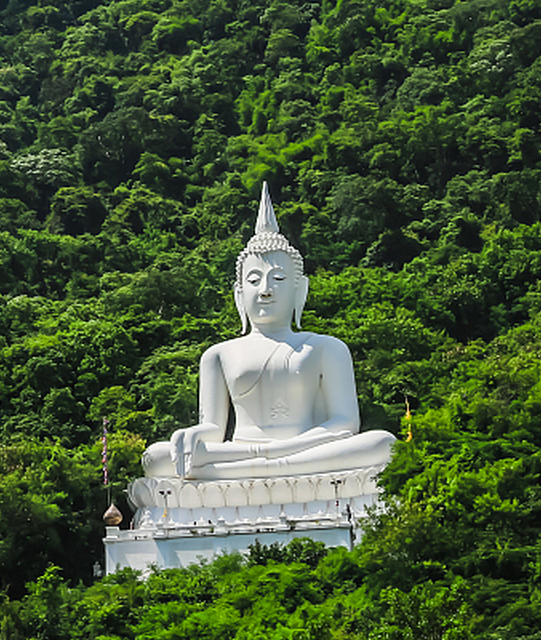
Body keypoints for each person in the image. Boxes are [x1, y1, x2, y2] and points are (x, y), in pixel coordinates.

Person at [140, 185, 395, 481]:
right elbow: (213, 429)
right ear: (239, 293)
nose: (265, 290)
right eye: (254, 280)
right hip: (247, 453)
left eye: (278, 278)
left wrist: (279, 451)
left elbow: (344, 425)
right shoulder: (218, 355)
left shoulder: (327, 348)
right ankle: (271, 469)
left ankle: (267, 469)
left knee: (383, 444)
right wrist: (193, 435)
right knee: (157, 457)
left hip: (302, 450)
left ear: (300, 289)